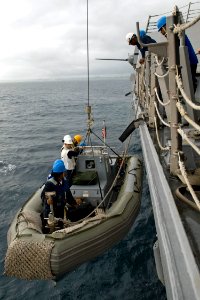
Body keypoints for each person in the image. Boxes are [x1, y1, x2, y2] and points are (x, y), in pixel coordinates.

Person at [157, 16, 198, 93]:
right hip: (186, 61)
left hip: (189, 61)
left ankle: (190, 100)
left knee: (190, 82)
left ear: (165, 26)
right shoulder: (174, 34)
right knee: (187, 82)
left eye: (161, 30)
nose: (161, 33)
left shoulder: (175, 34)